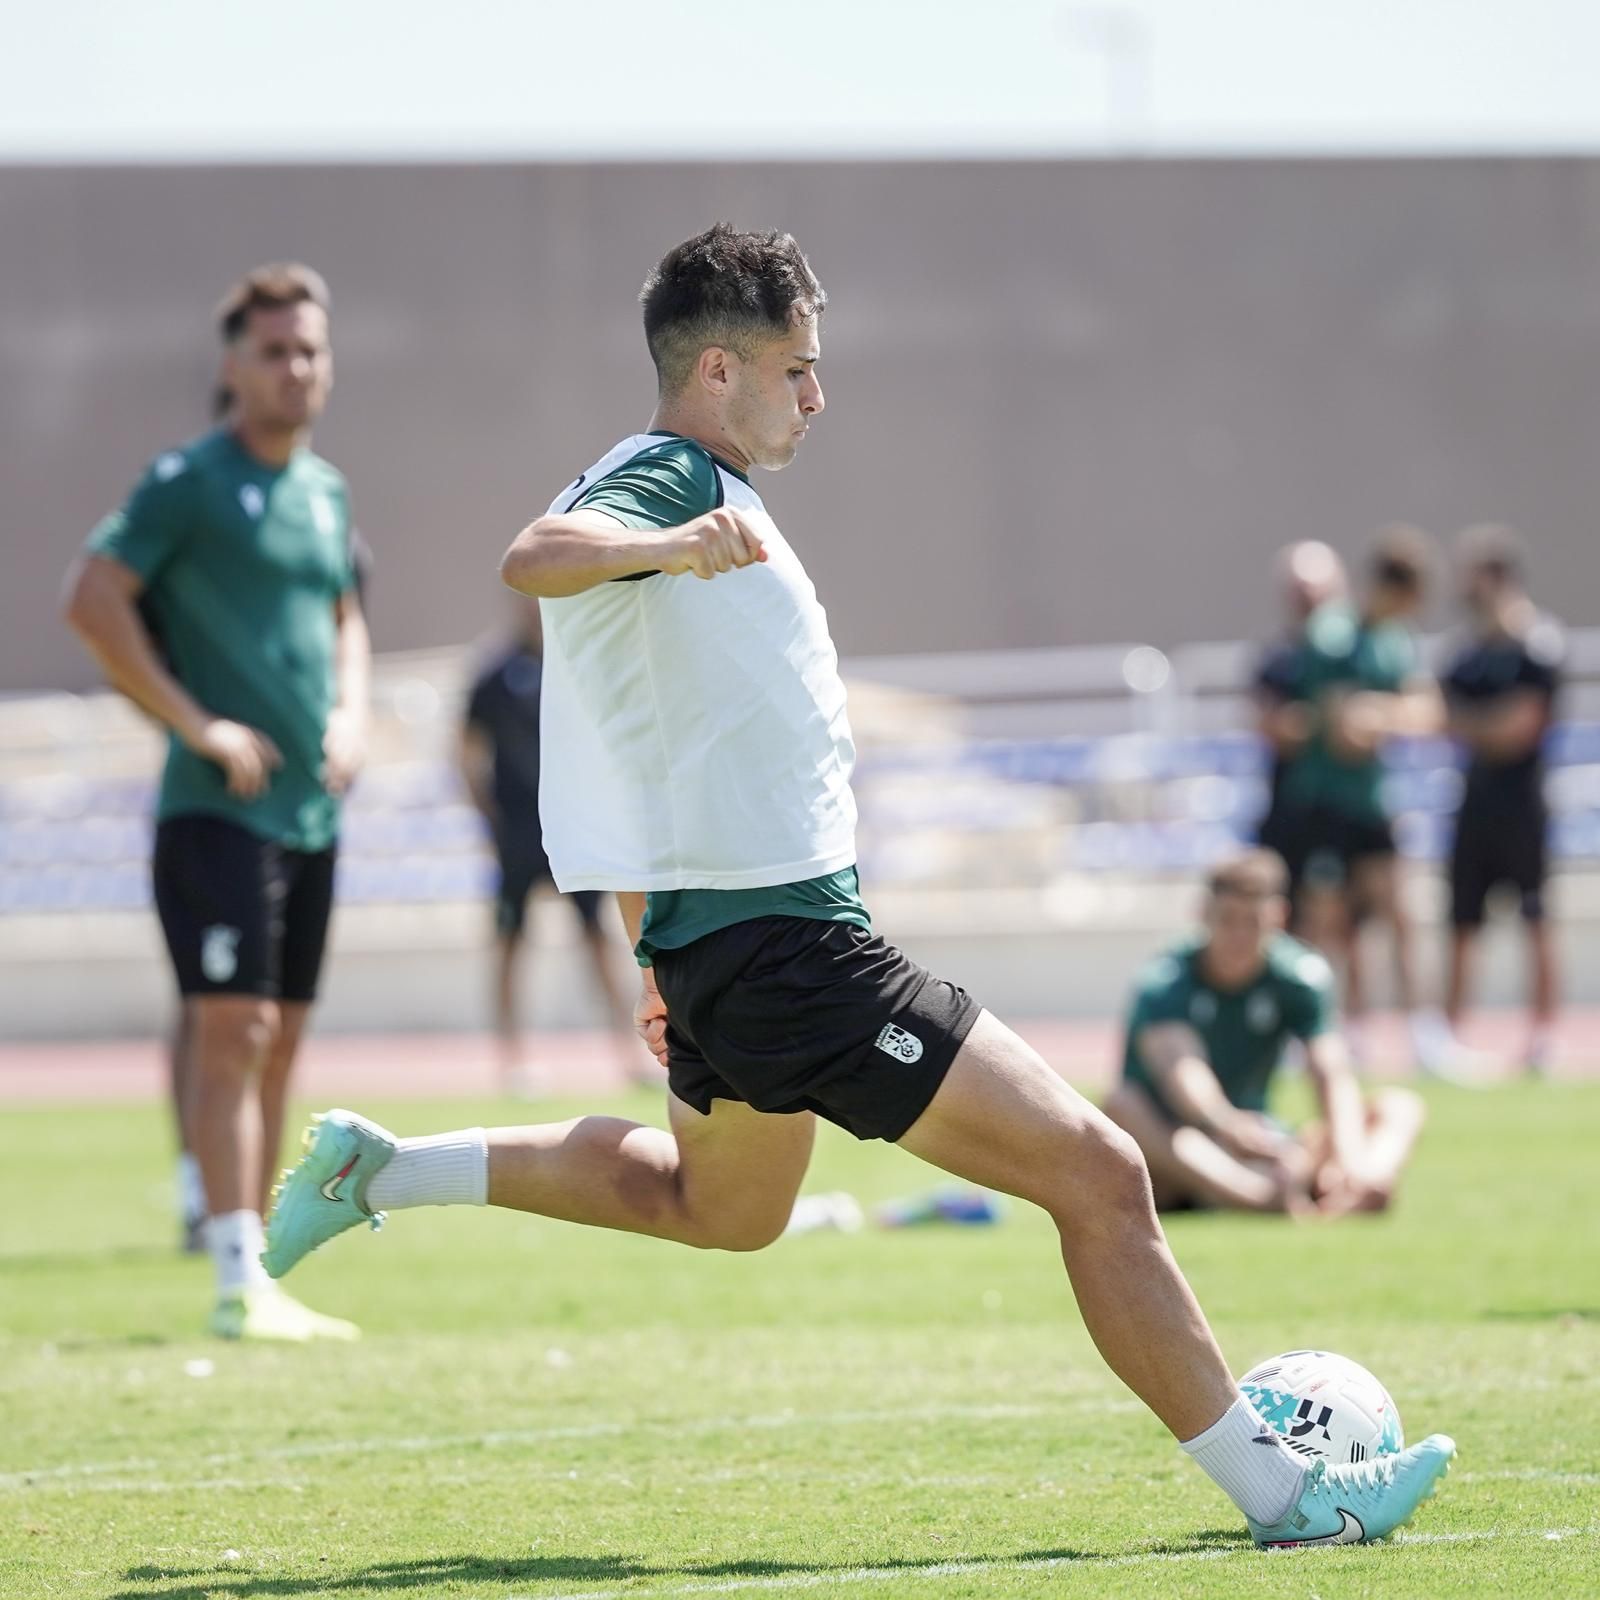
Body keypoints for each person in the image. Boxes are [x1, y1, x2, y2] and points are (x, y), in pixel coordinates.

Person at [264, 223, 1451, 1545]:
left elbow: (645, 740)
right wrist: (665, 545)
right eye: (800, 369)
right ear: (720, 368)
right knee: (1105, 1176)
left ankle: (381, 1174)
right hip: (792, 950)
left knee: (721, 1209)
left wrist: (655, 949)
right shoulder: (664, 481)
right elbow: (535, 555)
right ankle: (1287, 1497)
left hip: (730, 947)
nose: (819, 397)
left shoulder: (678, 484)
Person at [63, 262, 370, 1342]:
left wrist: (353, 717)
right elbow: (92, 598)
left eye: (310, 351)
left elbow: (346, 618)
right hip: (214, 811)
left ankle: (259, 1266)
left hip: (310, 816)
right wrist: (196, 725)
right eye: (276, 351)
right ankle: (234, 1268)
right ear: (234, 365)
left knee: (280, 1040)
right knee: (229, 1030)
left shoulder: (326, 493)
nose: (296, 368)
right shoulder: (188, 481)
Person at [1103, 850, 1426, 1215]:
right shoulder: (1166, 980)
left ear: (1278, 917)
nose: (1239, 936)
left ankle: (1358, 1183)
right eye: (1228, 920)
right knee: (1122, 1105)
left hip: (1260, 1139)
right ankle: (1259, 1198)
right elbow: (1183, 1069)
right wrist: (1224, 1122)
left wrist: (1346, 1152)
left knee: (1399, 1107)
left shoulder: (1299, 975)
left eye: (1253, 922)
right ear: (1203, 915)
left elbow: (1329, 1069)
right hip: (1181, 1141)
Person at [1271, 528, 1450, 1071]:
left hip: (1372, 802)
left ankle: (1421, 1034)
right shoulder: (1332, 632)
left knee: (1399, 913)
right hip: (1324, 802)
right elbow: (1344, 730)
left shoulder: (1396, 639)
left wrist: (1381, 715)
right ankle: (1334, 1032)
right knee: (1329, 926)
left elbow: (1430, 713)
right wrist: (1385, 715)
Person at [458, 598, 644, 1093]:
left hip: (574, 831)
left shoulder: (579, 665)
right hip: (518, 834)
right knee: (511, 944)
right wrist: (490, 820)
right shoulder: (494, 674)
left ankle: (631, 1055)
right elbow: (467, 750)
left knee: (599, 940)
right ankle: (512, 1060)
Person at [1441, 525, 1565, 1075]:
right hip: (1476, 802)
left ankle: (1542, 1037)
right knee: (1462, 922)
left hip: (1522, 805)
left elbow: (1521, 727)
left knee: (1536, 920)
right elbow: (1447, 721)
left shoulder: (1538, 646)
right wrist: (1482, 725)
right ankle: (1451, 1036)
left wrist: (1476, 726)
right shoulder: (1464, 656)